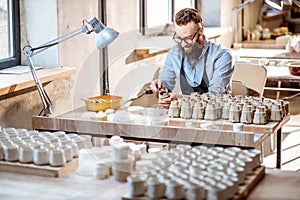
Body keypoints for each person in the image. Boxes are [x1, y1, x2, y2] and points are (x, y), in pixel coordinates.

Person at [150, 8, 234, 108]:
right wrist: (160, 89)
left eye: (188, 38)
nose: (183, 44)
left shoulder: (221, 56)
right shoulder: (174, 54)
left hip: (216, 114)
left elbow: (214, 96)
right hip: (186, 114)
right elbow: (166, 85)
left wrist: (179, 100)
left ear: (201, 31)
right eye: (179, 38)